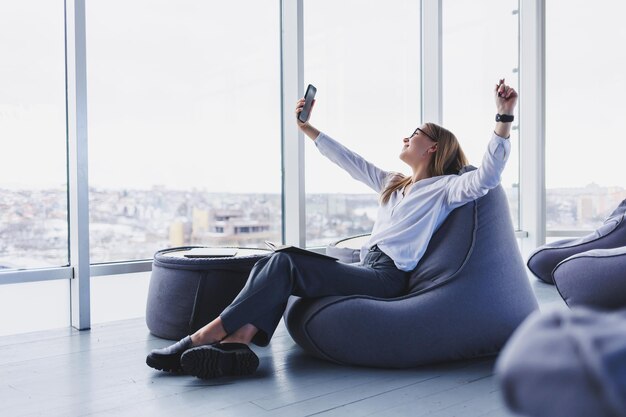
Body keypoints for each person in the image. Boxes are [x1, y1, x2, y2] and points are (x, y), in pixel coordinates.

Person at [146, 79, 519, 379]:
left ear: (433, 147)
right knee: (276, 259)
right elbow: (350, 161)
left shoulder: (445, 189)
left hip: (387, 278)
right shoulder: (394, 183)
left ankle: (199, 338)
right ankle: (237, 346)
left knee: (286, 262)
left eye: (416, 133)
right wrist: (309, 128)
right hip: (366, 267)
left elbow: (486, 178)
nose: (407, 137)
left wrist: (503, 117)